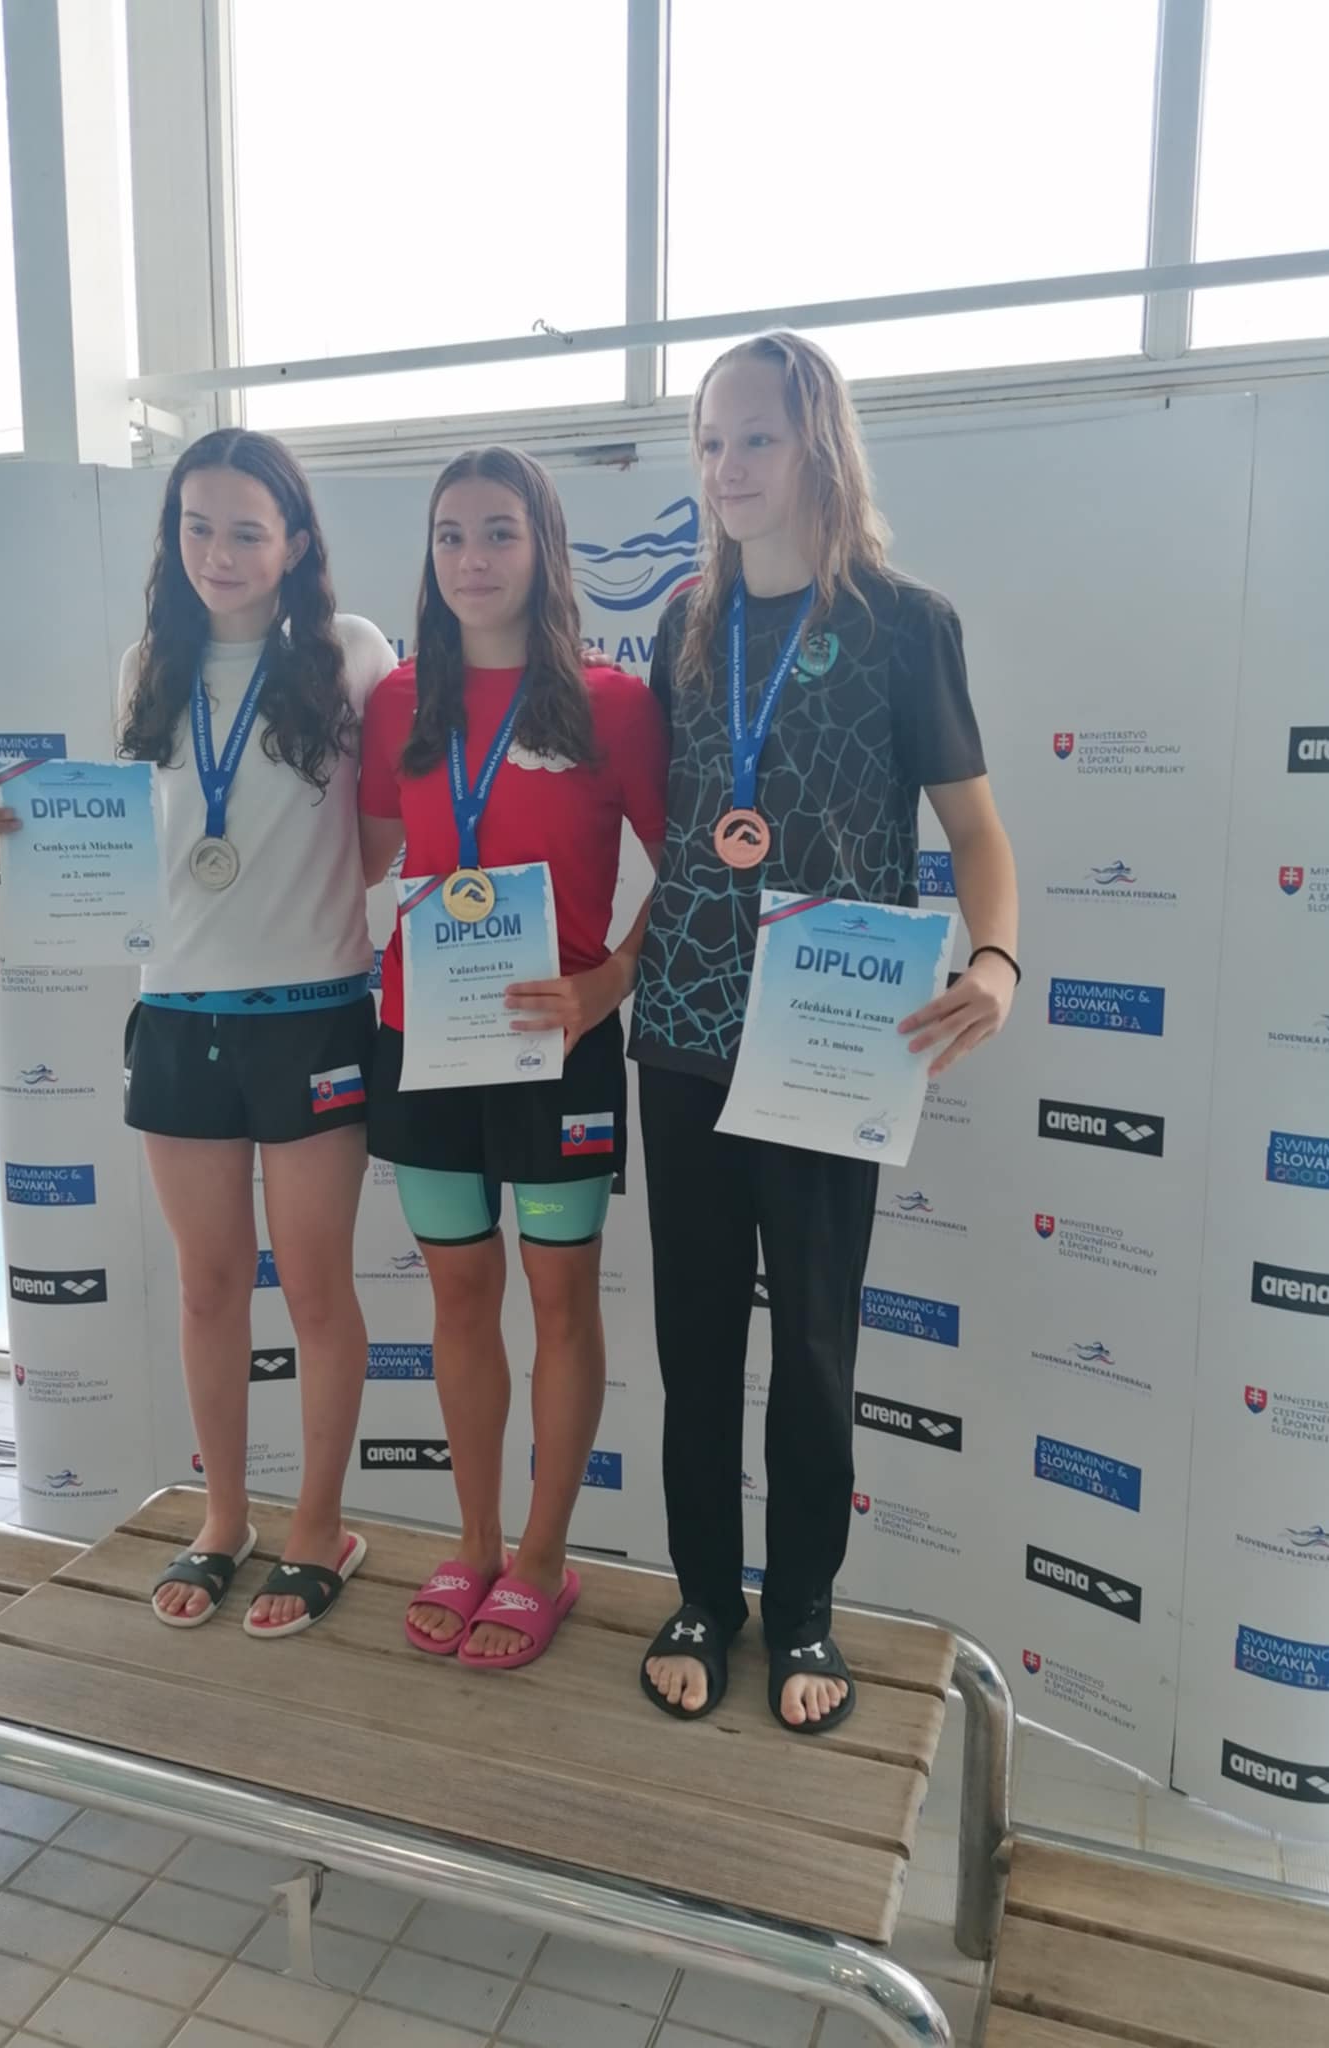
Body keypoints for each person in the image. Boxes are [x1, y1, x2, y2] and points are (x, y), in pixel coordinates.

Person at [630, 333, 1019, 1733]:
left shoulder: (907, 623)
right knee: (692, 1344)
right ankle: (701, 1595)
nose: (729, 467)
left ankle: (803, 1610)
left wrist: (997, 960)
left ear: (819, 446)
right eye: (710, 442)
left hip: (829, 1041)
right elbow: (674, 823)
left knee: (811, 1347)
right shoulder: (686, 624)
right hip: (684, 1027)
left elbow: (978, 834)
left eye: (757, 438)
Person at [0, 428, 397, 1637]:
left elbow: (378, 842)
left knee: (316, 1290)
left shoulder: (353, 654)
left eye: (248, 530)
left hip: (312, 1018)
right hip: (178, 1017)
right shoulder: (148, 664)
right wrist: (18, 853)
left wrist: (298, 905)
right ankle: (225, 1516)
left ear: (295, 541)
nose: (219, 552)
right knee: (208, 1289)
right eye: (197, 526)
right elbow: (136, 853)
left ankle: (320, 1525)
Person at [359, 446, 668, 1670]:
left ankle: (543, 1555)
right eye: (451, 535)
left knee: (558, 1299)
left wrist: (609, 981)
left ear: (544, 548)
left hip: (558, 1045)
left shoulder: (612, 702)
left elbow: (691, 869)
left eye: (498, 532)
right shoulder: (397, 701)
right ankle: (475, 1540)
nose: (472, 558)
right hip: (422, 1039)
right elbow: (351, 854)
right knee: (457, 1296)